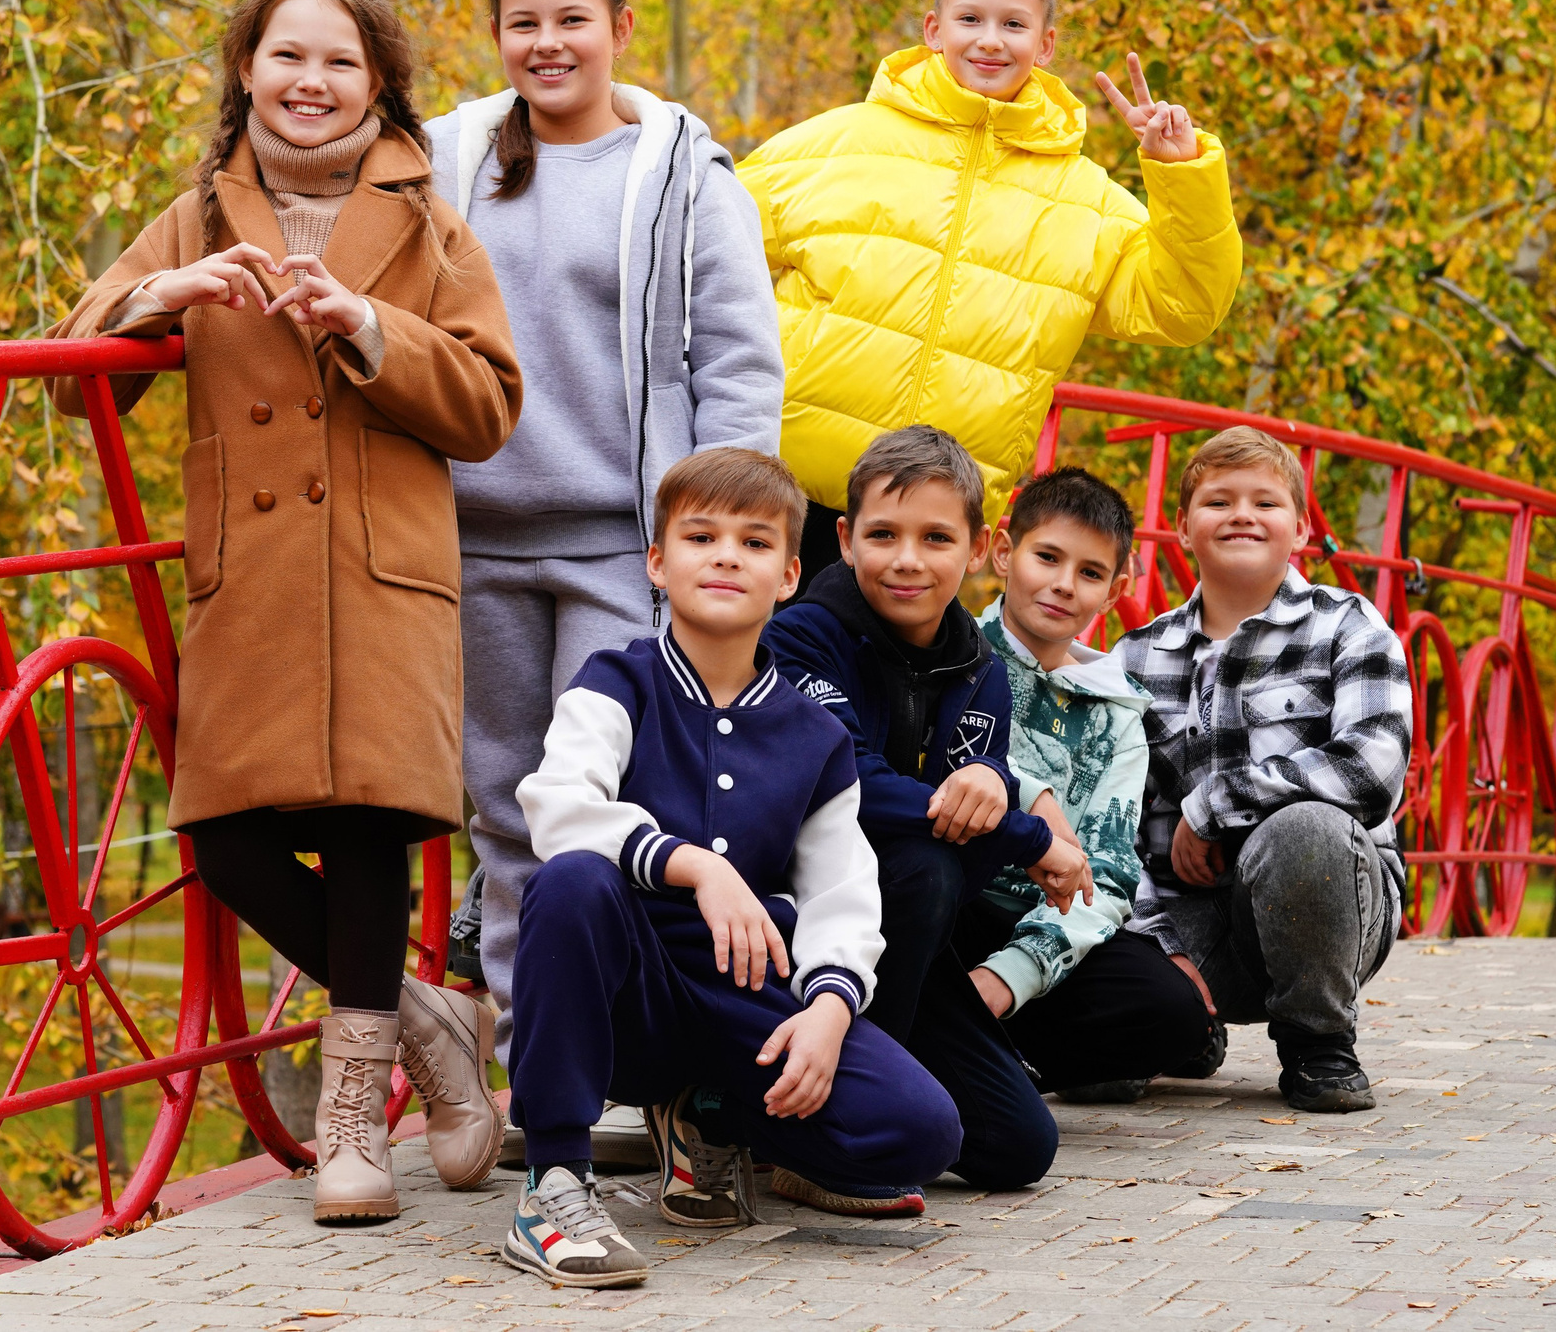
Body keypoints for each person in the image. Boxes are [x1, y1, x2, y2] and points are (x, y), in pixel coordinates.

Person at [53, 0, 523, 1223]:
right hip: (250, 575)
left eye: (339, 64)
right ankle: (432, 1027)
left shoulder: (427, 223)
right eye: (286, 57)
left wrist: (369, 327)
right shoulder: (199, 214)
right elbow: (69, 367)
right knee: (222, 835)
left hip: (381, 570)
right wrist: (157, 299)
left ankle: (354, 1118)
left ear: (379, 83)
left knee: (369, 822)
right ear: (245, 70)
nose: (310, 84)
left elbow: (488, 406)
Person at [426, 0, 783, 1062]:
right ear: (496, 36)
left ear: (620, 29)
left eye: (571, 20)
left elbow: (736, 362)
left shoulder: (681, 172)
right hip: (472, 538)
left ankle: (634, 1051)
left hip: (621, 544)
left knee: (618, 803)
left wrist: (721, 541)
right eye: (523, 23)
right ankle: (541, 1065)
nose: (547, 44)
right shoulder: (446, 165)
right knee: (501, 807)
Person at [501, 448, 960, 1287]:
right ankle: (555, 1181)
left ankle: (709, 1114)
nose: (723, 555)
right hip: (629, 994)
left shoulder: (814, 736)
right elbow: (557, 803)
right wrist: (693, 868)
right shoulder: (617, 680)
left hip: (743, 997)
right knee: (570, 880)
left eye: (753, 543)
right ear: (657, 561)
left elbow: (844, 890)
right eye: (700, 535)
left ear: (789, 575)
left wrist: (828, 1004)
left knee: (922, 1130)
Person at [740, 0, 1242, 582]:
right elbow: (698, 255)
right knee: (744, 680)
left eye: (1013, 23)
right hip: (783, 498)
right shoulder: (832, 145)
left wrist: (1182, 175)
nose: (989, 39)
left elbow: (1184, 308)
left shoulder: (1084, 200)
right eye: (970, 18)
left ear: (1046, 42)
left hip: (933, 524)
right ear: (933, 27)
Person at [763, 426, 1089, 1212]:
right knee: (918, 864)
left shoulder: (980, 671)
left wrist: (991, 779)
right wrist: (1029, 831)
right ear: (845, 538)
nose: (908, 558)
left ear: (978, 548)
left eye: (936, 537)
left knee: (1020, 1148)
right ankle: (816, 1131)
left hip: (910, 942)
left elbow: (970, 862)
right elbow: (851, 789)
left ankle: (882, 1092)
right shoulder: (801, 636)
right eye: (883, 534)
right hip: (801, 923)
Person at [1119, 426, 1413, 1113]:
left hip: (1330, 907)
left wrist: (1214, 803)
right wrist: (1154, 947)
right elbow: (1112, 819)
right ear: (1183, 529)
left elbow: (1371, 771)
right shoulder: (1136, 657)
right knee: (1094, 1071)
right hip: (1185, 915)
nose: (1243, 514)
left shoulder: (1349, 626)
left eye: (1266, 502)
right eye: (1218, 501)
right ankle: (1182, 1021)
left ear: (1302, 529)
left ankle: (1318, 1040)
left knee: (1305, 827)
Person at [962, 467, 1218, 1103]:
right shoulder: (955, 655)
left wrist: (1007, 976)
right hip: (951, 899)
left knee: (1172, 1012)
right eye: (1046, 557)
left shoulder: (1117, 713)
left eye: (1089, 572)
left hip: (1042, 922)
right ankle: (976, 1050)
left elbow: (1107, 873)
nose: (1061, 585)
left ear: (1115, 589)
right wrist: (1033, 796)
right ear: (1002, 552)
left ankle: (991, 1044)